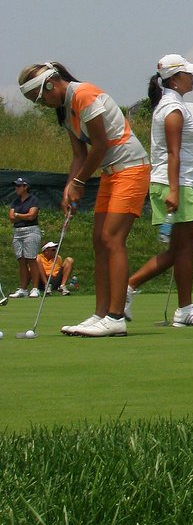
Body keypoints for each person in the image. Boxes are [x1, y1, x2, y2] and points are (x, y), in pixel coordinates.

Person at [18, 62, 151, 337]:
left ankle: (116, 317)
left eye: (39, 97)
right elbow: (79, 155)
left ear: (51, 84)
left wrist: (79, 183)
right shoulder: (65, 110)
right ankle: (100, 314)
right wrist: (69, 188)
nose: (41, 103)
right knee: (98, 242)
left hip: (132, 168)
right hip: (110, 173)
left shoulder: (84, 95)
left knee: (112, 239)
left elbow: (100, 145)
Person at [126, 55, 193, 327]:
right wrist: (175, 191)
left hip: (172, 183)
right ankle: (182, 309)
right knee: (185, 250)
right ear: (175, 78)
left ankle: (134, 291)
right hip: (172, 184)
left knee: (180, 251)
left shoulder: (174, 105)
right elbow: (173, 153)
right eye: (188, 73)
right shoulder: (172, 109)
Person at [9, 177, 42, 299]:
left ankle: (35, 288)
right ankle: (23, 289)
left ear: (25, 187)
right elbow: (11, 217)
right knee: (21, 260)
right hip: (17, 231)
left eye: (18, 186)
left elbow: (31, 216)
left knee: (31, 259)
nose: (16, 188)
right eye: (16, 186)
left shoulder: (33, 200)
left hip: (31, 231)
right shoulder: (15, 201)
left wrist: (18, 215)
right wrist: (21, 215)